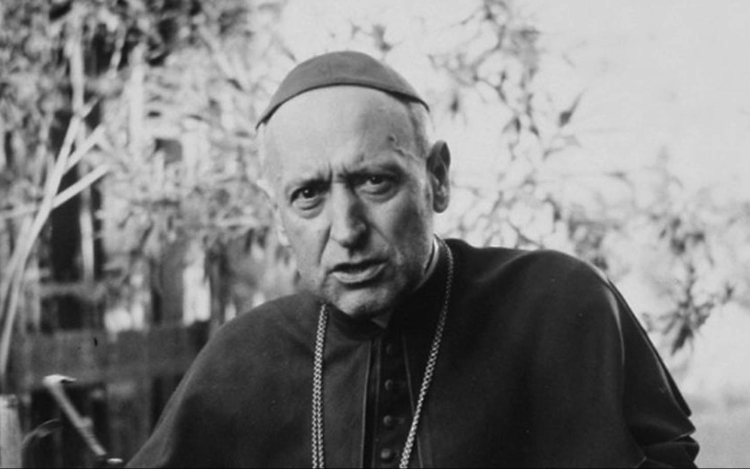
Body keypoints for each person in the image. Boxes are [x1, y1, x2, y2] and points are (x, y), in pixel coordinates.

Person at [127, 51, 699, 468]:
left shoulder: (557, 301)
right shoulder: (241, 357)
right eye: (309, 195)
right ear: (278, 215)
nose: (347, 230)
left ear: (437, 179)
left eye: (374, 181)